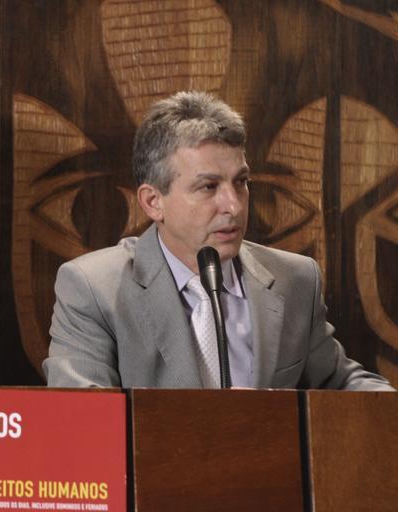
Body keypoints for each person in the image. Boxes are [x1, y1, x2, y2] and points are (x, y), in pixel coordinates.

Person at [43, 91, 393, 390]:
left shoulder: (295, 280)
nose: (234, 206)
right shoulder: (94, 289)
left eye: (241, 182)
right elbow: (84, 418)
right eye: (209, 187)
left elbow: (342, 384)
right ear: (153, 202)